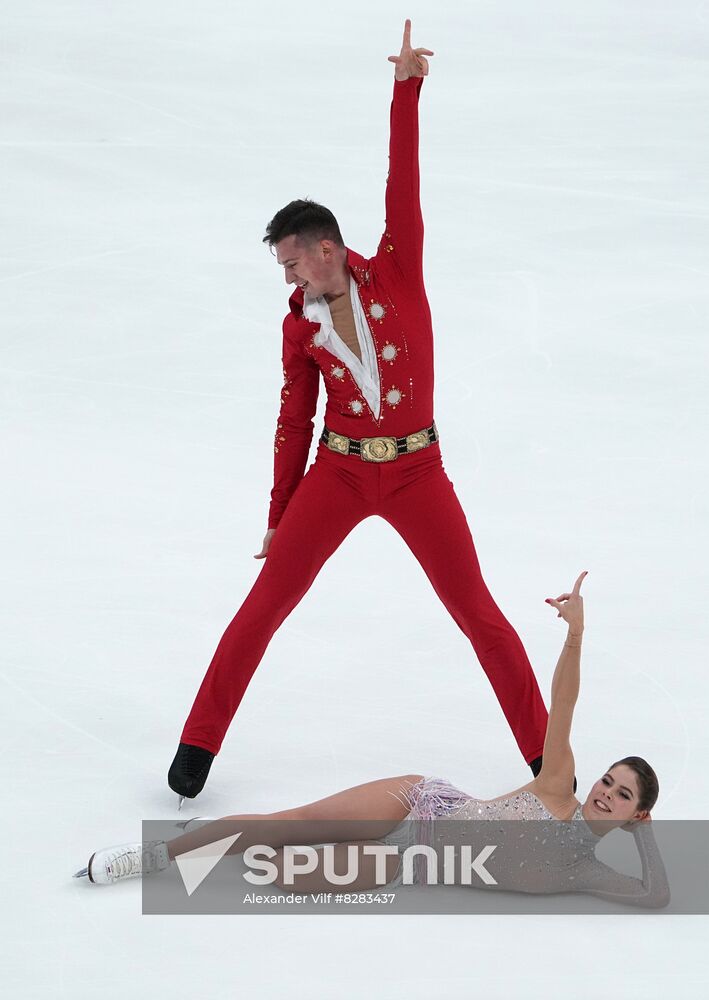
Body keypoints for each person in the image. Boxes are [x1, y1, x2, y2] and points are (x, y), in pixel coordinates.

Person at [168, 19, 551, 805]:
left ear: (327, 248)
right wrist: (279, 512)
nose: (286, 277)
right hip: (337, 472)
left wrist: (405, 87)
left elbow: (400, 178)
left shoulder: (398, 268)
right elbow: (291, 421)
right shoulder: (296, 326)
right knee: (264, 603)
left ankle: (550, 756)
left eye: (290, 261)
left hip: (418, 471)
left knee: (476, 610)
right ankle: (197, 741)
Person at [77, 572, 670, 909]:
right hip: (422, 802)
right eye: (608, 780)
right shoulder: (555, 788)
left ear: (635, 814)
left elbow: (656, 896)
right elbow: (562, 704)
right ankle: (155, 856)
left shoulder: (586, 873)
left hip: (412, 861)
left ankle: (215, 836)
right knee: (290, 822)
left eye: (621, 796)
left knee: (284, 872)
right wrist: (575, 636)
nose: (604, 792)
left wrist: (645, 838)